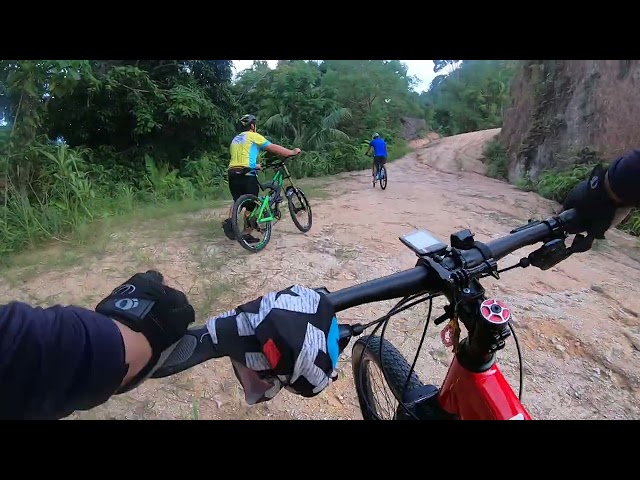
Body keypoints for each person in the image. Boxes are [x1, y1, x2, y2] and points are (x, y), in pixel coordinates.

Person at [0, 150, 639, 420]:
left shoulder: (236, 140)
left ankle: (251, 223)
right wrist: (290, 159)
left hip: (232, 179)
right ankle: (261, 219)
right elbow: (31, 351)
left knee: (251, 200)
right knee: (265, 194)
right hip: (254, 175)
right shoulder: (257, 140)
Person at [222, 114, 301, 244]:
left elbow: (241, 157)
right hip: (247, 174)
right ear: (253, 125)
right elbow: (273, 148)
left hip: (233, 173)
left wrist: (255, 165)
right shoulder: (253, 135)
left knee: (237, 200)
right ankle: (247, 233)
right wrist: (291, 152)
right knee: (251, 205)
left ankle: (231, 223)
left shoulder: (235, 139)